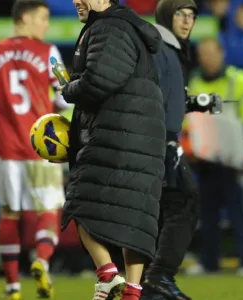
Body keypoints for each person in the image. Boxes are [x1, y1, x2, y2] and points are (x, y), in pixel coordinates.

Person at [58, 1, 166, 299]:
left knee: (80, 202)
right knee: (135, 216)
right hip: (140, 137)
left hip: (118, 135)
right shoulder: (126, 25)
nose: (77, 0)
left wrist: (68, 89)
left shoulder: (108, 27)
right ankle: (131, 290)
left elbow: (101, 79)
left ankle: (107, 276)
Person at [0, 1, 67, 299]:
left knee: (9, 214)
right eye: (43, 18)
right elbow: (67, 97)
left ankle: (12, 287)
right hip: (41, 146)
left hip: (5, 149)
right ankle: (42, 260)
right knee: (48, 210)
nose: (46, 25)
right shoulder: (48, 53)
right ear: (25, 18)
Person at [141, 1, 200, 299]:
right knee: (186, 204)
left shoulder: (169, 47)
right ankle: (159, 276)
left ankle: (150, 286)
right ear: (167, 15)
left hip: (159, 139)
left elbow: (163, 94)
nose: (188, 21)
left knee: (162, 212)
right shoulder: (161, 48)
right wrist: (165, 142)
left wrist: (191, 102)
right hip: (160, 141)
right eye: (181, 14)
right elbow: (149, 96)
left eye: (192, 15)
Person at [185, 37, 243, 276]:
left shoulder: (241, 81)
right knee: (207, 215)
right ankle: (209, 262)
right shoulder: (194, 83)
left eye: (211, 53)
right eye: (202, 54)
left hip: (235, 158)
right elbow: (190, 123)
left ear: (221, 53)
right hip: (206, 159)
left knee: (240, 215)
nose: (207, 58)